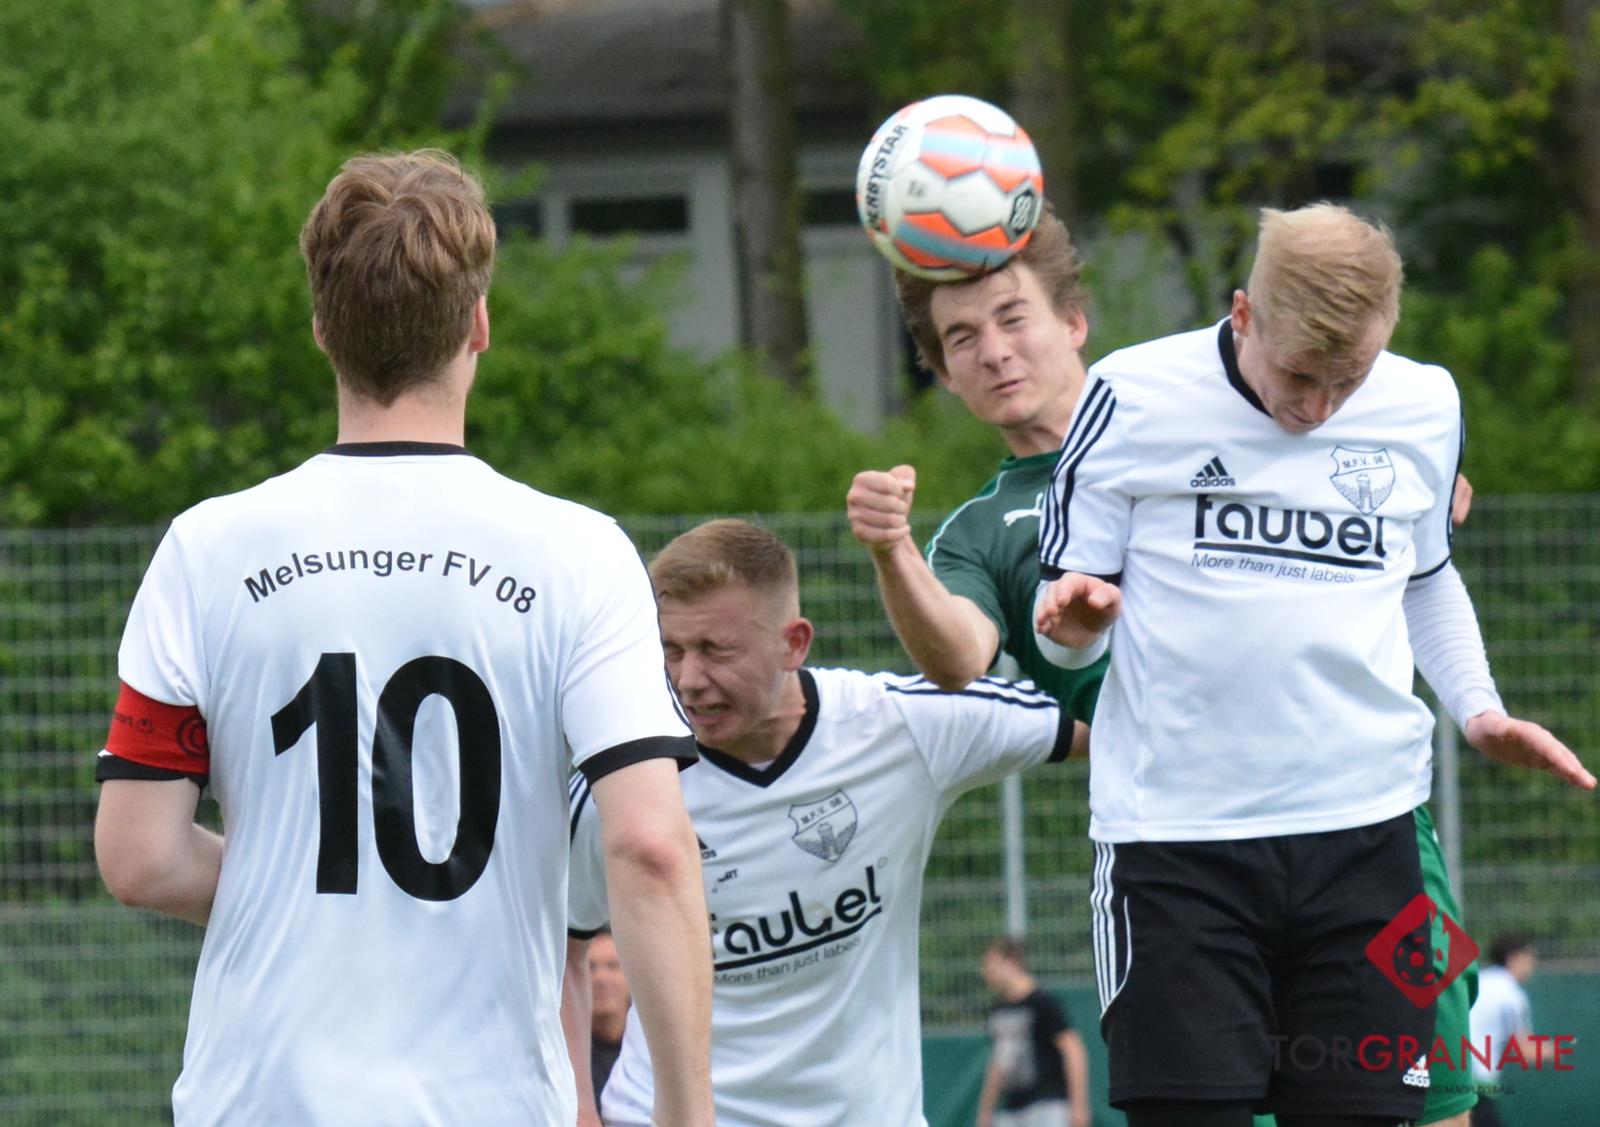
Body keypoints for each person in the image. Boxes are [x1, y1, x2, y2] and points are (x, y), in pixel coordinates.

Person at [91, 150, 712, 1127]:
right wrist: (687, 1112)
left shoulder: (205, 549)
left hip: (259, 1099)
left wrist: (303, 893)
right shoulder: (579, 554)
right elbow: (649, 846)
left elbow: (140, 857)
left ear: (322, 330)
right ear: (478, 324)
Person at [849, 203, 1487, 1127]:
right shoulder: (984, 531)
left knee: (1434, 1096)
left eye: (1012, 318)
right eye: (961, 339)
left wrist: (1406, 485)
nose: (993, 351)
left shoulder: (1216, 397)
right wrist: (891, 552)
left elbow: (1401, 510)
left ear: (1076, 320)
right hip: (1185, 848)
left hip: (1366, 830)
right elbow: (957, 653)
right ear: (942, 375)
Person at [1033, 202, 1594, 1127]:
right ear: (1244, 313)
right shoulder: (1132, 395)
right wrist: (1078, 625)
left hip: (1367, 843)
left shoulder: (1425, 403)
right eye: (1300, 374)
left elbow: (1425, 579)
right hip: (1177, 848)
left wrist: (1479, 707)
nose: (1321, 406)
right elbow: (1064, 621)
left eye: (1351, 378)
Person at [565, 518, 1087, 1125]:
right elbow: (556, 953)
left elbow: (1105, 720)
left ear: (794, 643)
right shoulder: (625, 784)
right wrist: (577, 1108)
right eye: (671, 651)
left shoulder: (901, 727)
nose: (689, 679)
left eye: (716, 650)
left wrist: (1087, 629)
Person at [977, 936, 1091, 1127]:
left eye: (991, 965)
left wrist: (1079, 1105)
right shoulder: (998, 1011)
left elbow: (1073, 1050)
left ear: (1010, 962)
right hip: (1012, 1108)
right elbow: (998, 1063)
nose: (986, 972)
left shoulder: (1042, 1002)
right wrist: (985, 1113)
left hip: (1048, 1104)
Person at [1468, 935, 1538, 1127]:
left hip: (1446, 1079)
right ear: (1513, 958)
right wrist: (1556, 1051)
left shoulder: (1478, 980)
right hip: (1478, 1087)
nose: (1533, 964)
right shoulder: (1512, 993)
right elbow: (1527, 1052)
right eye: (1529, 957)